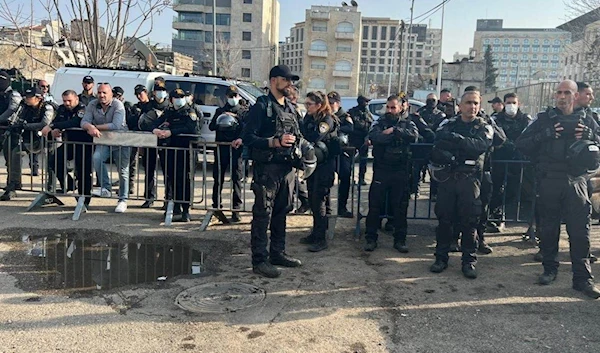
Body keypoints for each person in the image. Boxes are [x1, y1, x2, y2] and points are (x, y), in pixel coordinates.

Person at [516, 80, 600, 299]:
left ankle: (582, 279)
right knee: (549, 229)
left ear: (576, 96)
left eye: (567, 93)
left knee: (580, 233)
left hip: (577, 182)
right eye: (559, 92)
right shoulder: (543, 120)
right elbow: (521, 144)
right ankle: (549, 270)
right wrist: (545, 135)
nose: (562, 96)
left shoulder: (588, 120)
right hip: (550, 181)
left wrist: (591, 137)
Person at [242, 64, 303, 278]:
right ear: (274, 81)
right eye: (286, 80)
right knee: (262, 215)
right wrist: (274, 142)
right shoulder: (261, 107)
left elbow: (300, 135)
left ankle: (278, 252)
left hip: (286, 170)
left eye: (291, 81)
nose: (290, 84)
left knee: (281, 212)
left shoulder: (290, 108)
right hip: (267, 169)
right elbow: (248, 137)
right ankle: (260, 260)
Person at [429, 90, 493, 279]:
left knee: (470, 221)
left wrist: (457, 141)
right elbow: (439, 143)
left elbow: (480, 146)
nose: (472, 107)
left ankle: (469, 261)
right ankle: (441, 258)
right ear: (460, 106)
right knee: (444, 220)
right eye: (468, 103)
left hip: (470, 180)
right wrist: (462, 150)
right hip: (449, 178)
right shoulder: (447, 124)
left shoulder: (484, 126)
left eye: (475, 103)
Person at [363, 94, 419, 252]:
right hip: (381, 169)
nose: (389, 110)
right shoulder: (379, 122)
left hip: (400, 170)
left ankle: (400, 240)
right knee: (375, 206)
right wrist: (387, 136)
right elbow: (375, 137)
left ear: (401, 108)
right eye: (387, 107)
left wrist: (394, 131)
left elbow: (413, 137)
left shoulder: (407, 123)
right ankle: (370, 238)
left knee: (400, 207)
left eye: (393, 107)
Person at [299, 91, 340, 252]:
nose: (306, 107)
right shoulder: (309, 118)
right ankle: (315, 233)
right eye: (306, 103)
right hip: (313, 164)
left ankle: (321, 238)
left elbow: (315, 137)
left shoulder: (327, 120)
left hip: (325, 165)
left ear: (319, 105)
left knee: (319, 201)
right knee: (313, 200)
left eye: (309, 104)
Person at [81, 83, 130, 213]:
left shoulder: (118, 105)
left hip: (121, 140)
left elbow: (116, 125)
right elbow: (84, 121)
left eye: (105, 93)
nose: (101, 95)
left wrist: (95, 126)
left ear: (111, 94)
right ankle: (106, 188)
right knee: (96, 158)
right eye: (100, 92)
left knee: (123, 170)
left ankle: (123, 199)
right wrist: (90, 127)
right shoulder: (92, 104)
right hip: (104, 140)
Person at [152, 88, 198, 222]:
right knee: (171, 179)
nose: (179, 99)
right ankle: (174, 207)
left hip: (185, 151)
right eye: (176, 97)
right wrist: (155, 129)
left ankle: (185, 210)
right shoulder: (169, 112)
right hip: (170, 150)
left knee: (184, 180)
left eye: (181, 97)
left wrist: (172, 131)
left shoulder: (189, 112)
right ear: (171, 100)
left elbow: (192, 128)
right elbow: (154, 122)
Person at [1, 87, 54, 200]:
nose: (27, 99)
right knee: (15, 154)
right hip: (30, 139)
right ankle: (14, 184)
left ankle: (51, 188)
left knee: (51, 163)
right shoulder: (24, 107)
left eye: (30, 97)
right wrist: (15, 125)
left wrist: (25, 126)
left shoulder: (47, 107)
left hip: (48, 140)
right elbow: (17, 118)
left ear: (38, 98)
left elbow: (45, 123)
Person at [489, 93, 532, 233]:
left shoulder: (525, 119)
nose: (511, 105)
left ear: (519, 104)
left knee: (513, 190)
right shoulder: (496, 119)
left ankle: (500, 211)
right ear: (504, 103)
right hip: (498, 159)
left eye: (514, 102)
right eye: (508, 102)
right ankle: (496, 216)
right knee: (495, 188)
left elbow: (529, 135)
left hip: (518, 160)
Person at [41, 90, 89, 194]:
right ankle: (69, 185)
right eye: (64, 101)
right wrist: (54, 130)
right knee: (54, 161)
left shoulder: (82, 108)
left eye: (69, 101)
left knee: (82, 170)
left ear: (76, 99)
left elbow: (75, 122)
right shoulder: (62, 109)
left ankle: (83, 195)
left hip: (84, 144)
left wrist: (52, 126)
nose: (67, 103)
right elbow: (57, 121)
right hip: (69, 142)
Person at [209, 85, 245, 222]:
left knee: (236, 179)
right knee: (218, 179)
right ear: (226, 97)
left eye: (235, 96)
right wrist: (222, 117)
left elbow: (245, 129)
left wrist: (236, 118)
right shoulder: (220, 110)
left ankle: (236, 210)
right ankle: (216, 206)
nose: (233, 98)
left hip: (235, 150)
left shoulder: (242, 112)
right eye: (230, 96)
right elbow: (212, 126)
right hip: (221, 148)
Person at [137, 82, 171, 209]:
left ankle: (168, 199)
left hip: (164, 141)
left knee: (167, 170)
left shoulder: (169, 106)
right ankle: (149, 197)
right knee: (149, 170)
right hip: (149, 140)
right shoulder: (147, 106)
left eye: (162, 89)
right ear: (153, 92)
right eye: (158, 89)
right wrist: (153, 129)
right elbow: (142, 123)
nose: (160, 92)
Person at [328, 91, 354, 218]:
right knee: (325, 180)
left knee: (345, 179)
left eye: (332, 103)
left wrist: (334, 129)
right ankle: (325, 207)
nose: (330, 105)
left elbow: (350, 128)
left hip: (342, 152)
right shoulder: (324, 115)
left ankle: (342, 207)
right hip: (327, 152)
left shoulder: (344, 116)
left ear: (338, 103)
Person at [288, 86, 310, 214]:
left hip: (293, 148)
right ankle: (292, 202)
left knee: (292, 177)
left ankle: (304, 200)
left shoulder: (293, 111)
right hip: (290, 147)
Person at [114, 86, 138, 195]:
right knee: (121, 164)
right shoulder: (111, 106)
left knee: (130, 163)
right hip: (116, 138)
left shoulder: (128, 106)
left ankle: (129, 186)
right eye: (115, 95)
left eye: (118, 96)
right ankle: (123, 186)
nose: (117, 98)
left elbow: (132, 121)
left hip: (129, 137)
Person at [347, 95, 373, 186]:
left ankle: (361, 178)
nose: (367, 104)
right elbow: (356, 125)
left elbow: (371, 124)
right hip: (354, 139)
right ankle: (350, 178)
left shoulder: (367, 112)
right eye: (365, 102)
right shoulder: (352, 112)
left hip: (364, 140)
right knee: (350, 160)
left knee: (363, 160)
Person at [0, 71, 22, 155]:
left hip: (10, 129)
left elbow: (12, 110)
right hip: (2, 128)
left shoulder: (13, 95)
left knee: (10, 157)